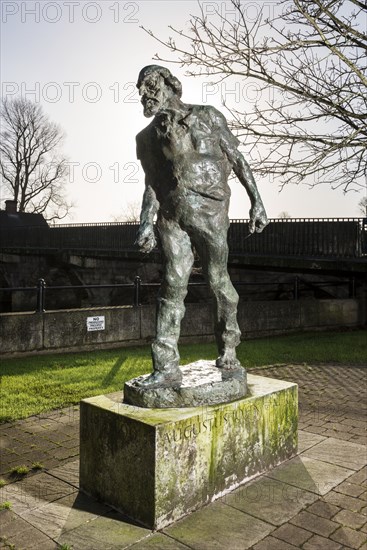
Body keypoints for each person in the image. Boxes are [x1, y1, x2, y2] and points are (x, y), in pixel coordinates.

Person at [135, 65, 268, 388]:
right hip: (171, 216)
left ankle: (228, 352)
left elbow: (236, 158)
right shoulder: (146, 138)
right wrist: (145, 224)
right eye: (140, 88)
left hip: (211, 211)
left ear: (170, 85)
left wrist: (257, 201)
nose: (144, 93)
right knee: (172, 284)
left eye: (150, 85)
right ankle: (165, 366)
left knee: (218, 280)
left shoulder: (209, 116)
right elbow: (152, 183)